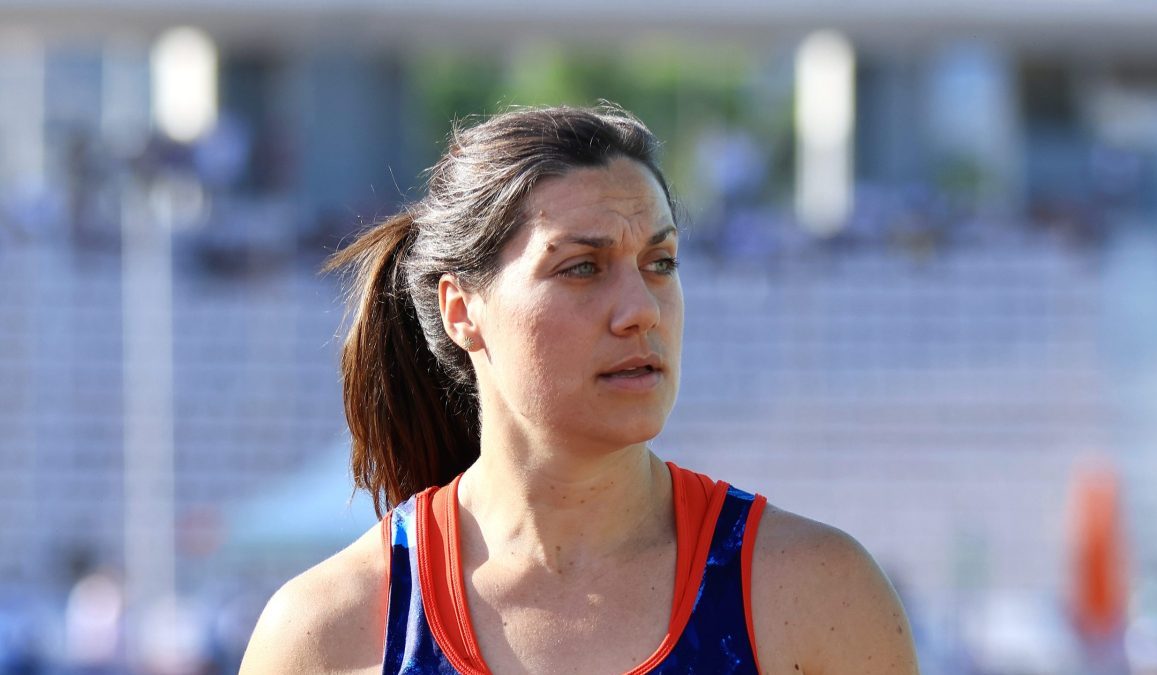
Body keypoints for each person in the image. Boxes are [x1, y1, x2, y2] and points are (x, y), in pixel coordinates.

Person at [240, 104, 920, 674]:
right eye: (582, 267)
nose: (642, 310)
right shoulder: (327, 634)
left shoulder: (814, 595)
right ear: (461, 309)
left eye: (660, 262)